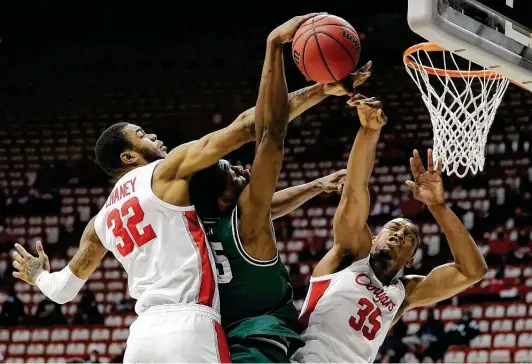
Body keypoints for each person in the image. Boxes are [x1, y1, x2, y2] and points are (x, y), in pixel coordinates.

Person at [9, 13, 338, 362]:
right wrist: (321, 89)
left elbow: (62, 291)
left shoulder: (99, 222)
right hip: (189, 325)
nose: (153, 136)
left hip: (141, 338)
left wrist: (39, 275)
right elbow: (251, 126)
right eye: (142, 135)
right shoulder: (165, 174)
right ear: (128, 155)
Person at [189, 17, 370, 363]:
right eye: (231, 172)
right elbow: (270, 131)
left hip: (233, 340)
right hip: (259, 343)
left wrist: (316, 185)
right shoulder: (246, 219)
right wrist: (274, 46)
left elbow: (268, 207)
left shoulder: (205, 225)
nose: (241, 167)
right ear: (225, 198)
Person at [291, 98, 488, 363]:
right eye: (392, 228)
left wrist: (438, 206)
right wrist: (369, 132)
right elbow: (355, 189)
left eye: (410, 238)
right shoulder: (348, 258)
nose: (399, 234)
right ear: (373, 239)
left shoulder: (404, 294)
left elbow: (472, 271)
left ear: (411, 259)